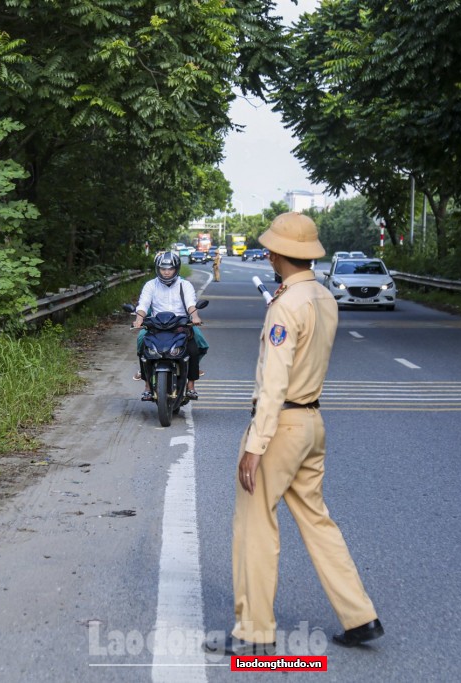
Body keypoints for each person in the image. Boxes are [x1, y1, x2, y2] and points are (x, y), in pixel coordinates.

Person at [206, 212, 383, 657]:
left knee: (254, 523)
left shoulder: (286, 305)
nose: (267, 253)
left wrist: (254, 444)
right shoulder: (324, 297)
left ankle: (253, 630)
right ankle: (359, 615)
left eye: (270, 248)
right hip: (312, 423)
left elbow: (274, 383)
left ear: (280, 254)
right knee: (317, 520)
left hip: (281, 424)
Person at [132, 251, 204, 400]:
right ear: (158, 269)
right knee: (142, 344)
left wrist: (195, 316)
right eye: (163, 269)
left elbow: (191, 303)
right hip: (156, 325)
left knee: (195, 347)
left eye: (169, 269)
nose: (166, 272)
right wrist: (139, 319)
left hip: (181, 324)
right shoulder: (150, 285)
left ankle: (191, 385)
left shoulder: (185, 285)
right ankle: (146, 385)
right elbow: (143, 304)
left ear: (176, 269)